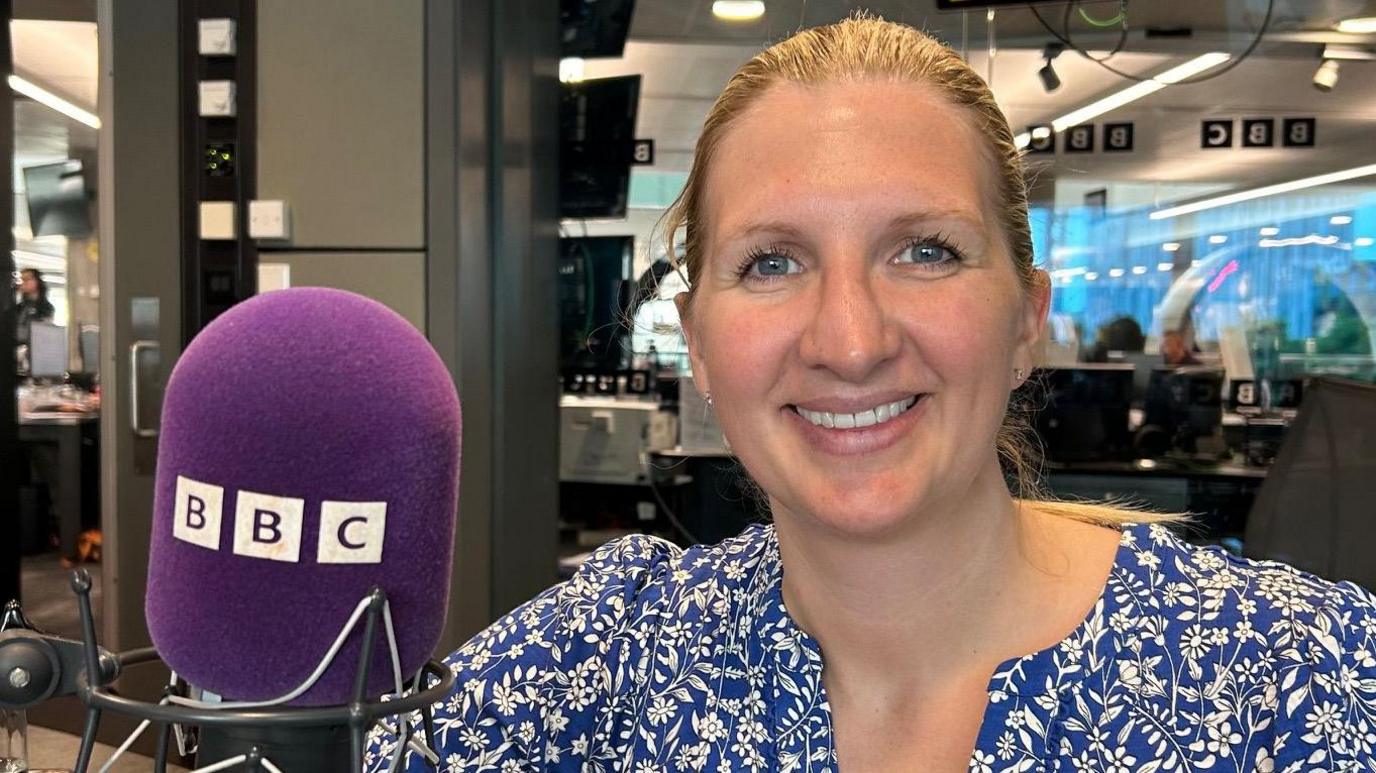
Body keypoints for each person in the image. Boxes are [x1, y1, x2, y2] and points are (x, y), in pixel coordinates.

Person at [368, 16, 1376, 771]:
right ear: (699, 344)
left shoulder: (1293, 680)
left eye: (924, 250)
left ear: (1025, 318)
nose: (849, 341)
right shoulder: (606, 653)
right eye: (770, 263)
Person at [13, 268, 55, 344]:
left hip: (34, 348)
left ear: (37, 281)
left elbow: (41, 333)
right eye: (22, 280)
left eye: (27, 279)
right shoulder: (19, 307)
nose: (23, 283)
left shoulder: (46, 307)